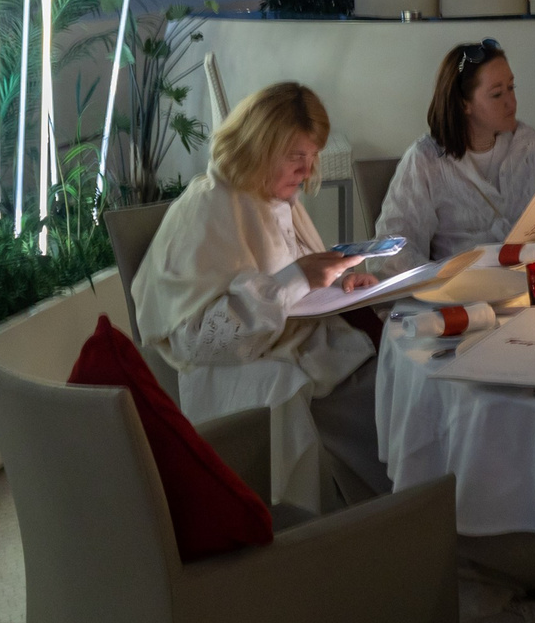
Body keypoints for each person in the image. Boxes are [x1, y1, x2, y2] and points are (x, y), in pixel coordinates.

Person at [133, 82, 387, 512]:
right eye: (296, 157)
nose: (307, 172)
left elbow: (294, 272)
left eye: (312, 157)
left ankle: (400, 507)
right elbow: (196, 337)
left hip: (294, 343)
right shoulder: (210, 206)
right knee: (380, 399)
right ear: (261, 145)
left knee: (394, 376)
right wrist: (295, 281)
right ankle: (327, 527)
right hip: (230, 366)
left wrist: (333, 281)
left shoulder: (273, 194)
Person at [376, 40, 535, 261]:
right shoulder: (426, 161)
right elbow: (391, 251)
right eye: (497, 94)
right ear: (463, 104)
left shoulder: (531, 147)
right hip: (462, 290)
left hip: (531, 283)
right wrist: (441, 282)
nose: (511, 102)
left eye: (511, 87)